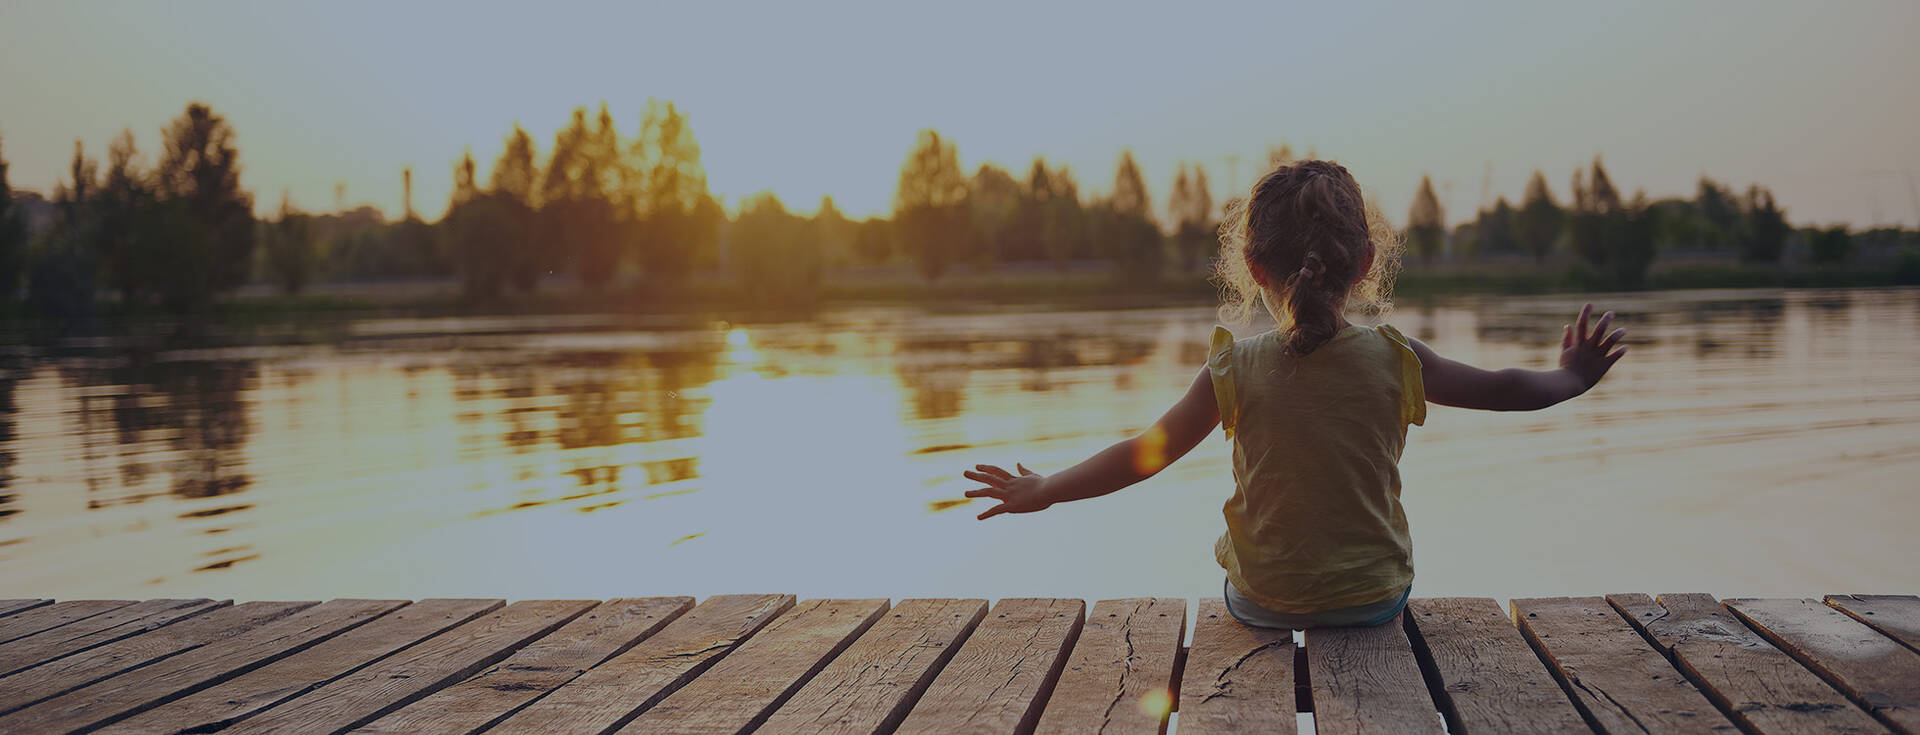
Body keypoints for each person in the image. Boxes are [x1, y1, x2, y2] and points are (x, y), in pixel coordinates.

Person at [961, 159, 1626, 629]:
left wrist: (1046, 489)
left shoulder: (1235, 367)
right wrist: (1572, 377)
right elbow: (1504, 388)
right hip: (1373, 601)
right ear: (1365, 262)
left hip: (1262, 604)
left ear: (1253, 268)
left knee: (1244, 570)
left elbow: (1145, 453)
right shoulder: (1395, 358)